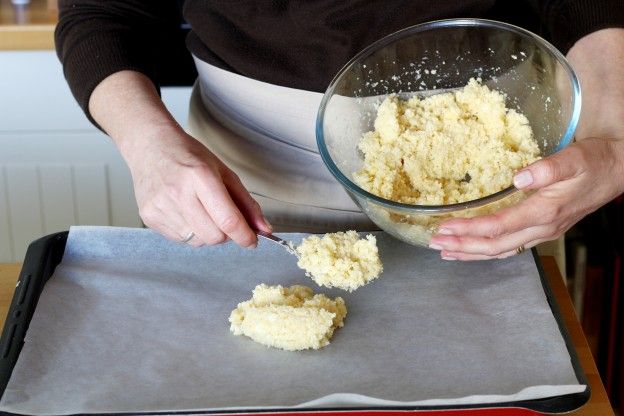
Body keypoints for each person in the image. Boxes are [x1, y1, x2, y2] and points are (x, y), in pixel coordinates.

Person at [55, 1, 624, 260]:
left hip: (494, 183)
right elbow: (101, 13)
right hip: (237, 183)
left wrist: (615, 141)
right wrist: (148, 145)